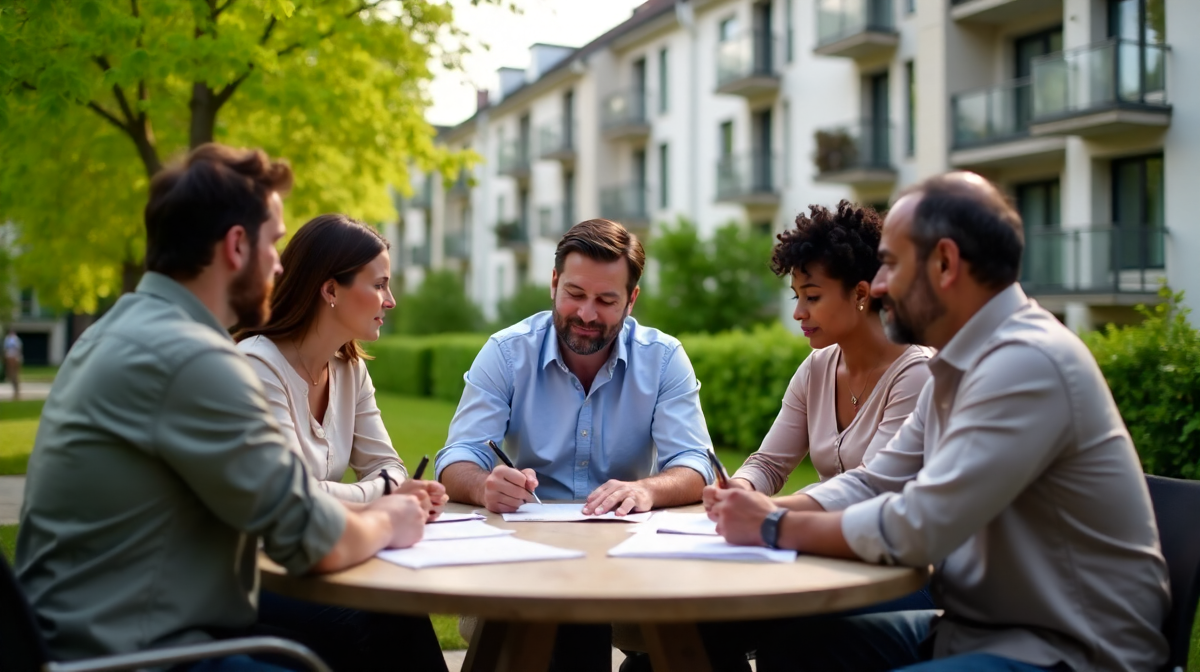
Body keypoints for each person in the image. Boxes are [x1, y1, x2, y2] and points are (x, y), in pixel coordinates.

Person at [706, 172, 1169, 672]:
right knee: (795, 643)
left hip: (1072, 650)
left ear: (945, 263)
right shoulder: (959, 364)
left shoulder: (1027, 361)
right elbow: (876, 479)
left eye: (891, 264)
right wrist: (759, 511)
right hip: (973, 630)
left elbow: (919, 523)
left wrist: (776, 526)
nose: (879, 286)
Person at [15, 143, 447, 672]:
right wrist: (390, 514)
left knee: (380, 622)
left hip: (80, 637)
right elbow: (313, 539)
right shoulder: (195, 360)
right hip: (137, 655)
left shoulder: (119, 331)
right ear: (237, 245)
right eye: (274, 243)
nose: (281, 264)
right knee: (368, 626)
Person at [436, 218, 716, 672]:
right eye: (575, 294)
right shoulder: (507, 352)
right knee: (558, 624)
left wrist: (647, 490)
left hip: (628, 560)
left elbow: (694, 464)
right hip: (521, 560)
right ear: (553, 284)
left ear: (632, 300)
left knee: (705, 641)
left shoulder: (663, 359)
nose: (587, 314)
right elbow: (457, 457)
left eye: (606, 300)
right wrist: (485, 484)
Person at [235, 213, 448, 513]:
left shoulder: (351, 370)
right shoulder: (257, 366)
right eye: (379, 285)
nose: (390, 301)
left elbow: (388, 466)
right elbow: (290, 493)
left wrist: (391, 491)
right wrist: (386, 496)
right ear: (331, 290)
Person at [730, 201, 930, 494]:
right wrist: (739, 487)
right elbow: (769, 464)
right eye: (796, 297)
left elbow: (868, 487)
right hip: (819, 536)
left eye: (812, 297)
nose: (799, 312)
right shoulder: (816, 368)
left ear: (860, 293)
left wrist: (767, 512)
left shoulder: (915, 376)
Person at [3, 327, 20, 400]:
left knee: (14, 375)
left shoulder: (14, 339)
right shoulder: (8, 339)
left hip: (13, 357)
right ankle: (16, 391)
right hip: (10, 357)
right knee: (11, 375)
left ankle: (16, 391)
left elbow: (17, 349)